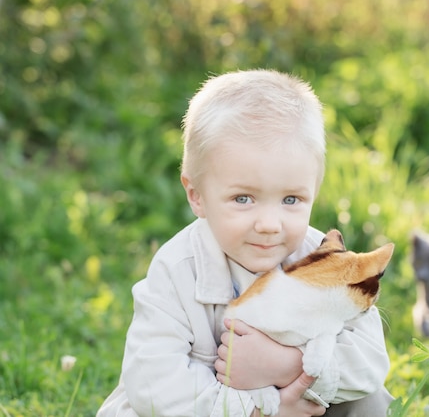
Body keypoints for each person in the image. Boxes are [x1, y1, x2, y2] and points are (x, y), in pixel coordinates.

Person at [97, 69, 393, 417]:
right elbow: (153, 383)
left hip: (300, 403)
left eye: (291, 200)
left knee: (369, 401)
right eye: (243, 199)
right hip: (210, 410)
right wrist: (255, 411)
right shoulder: (177, 269)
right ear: (197, 196)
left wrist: (287, 365)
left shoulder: (325, 261)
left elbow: (371, 362)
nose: (269, 225)